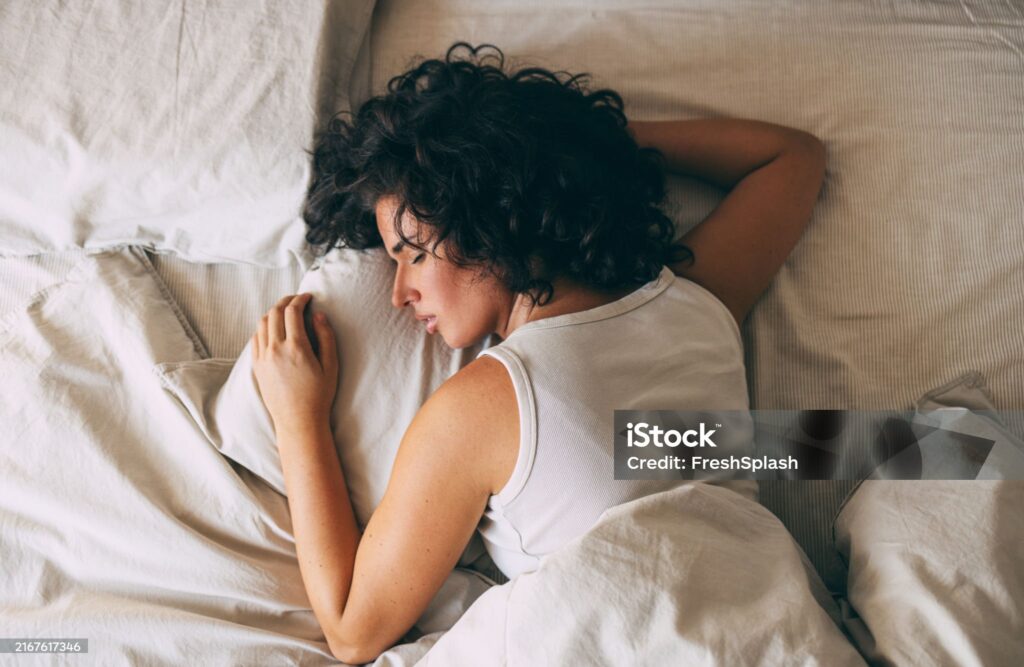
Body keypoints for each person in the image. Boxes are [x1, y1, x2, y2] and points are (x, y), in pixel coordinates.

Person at [250, 43, 826, 664]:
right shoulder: (696, 298)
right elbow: (792, 157)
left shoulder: (485, 406)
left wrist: (298, 418)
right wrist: (572, 148)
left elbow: (351, 630)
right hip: (773, 636)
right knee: (894, 447)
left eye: (413, 254)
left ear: (492, 215)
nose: (399, 293)